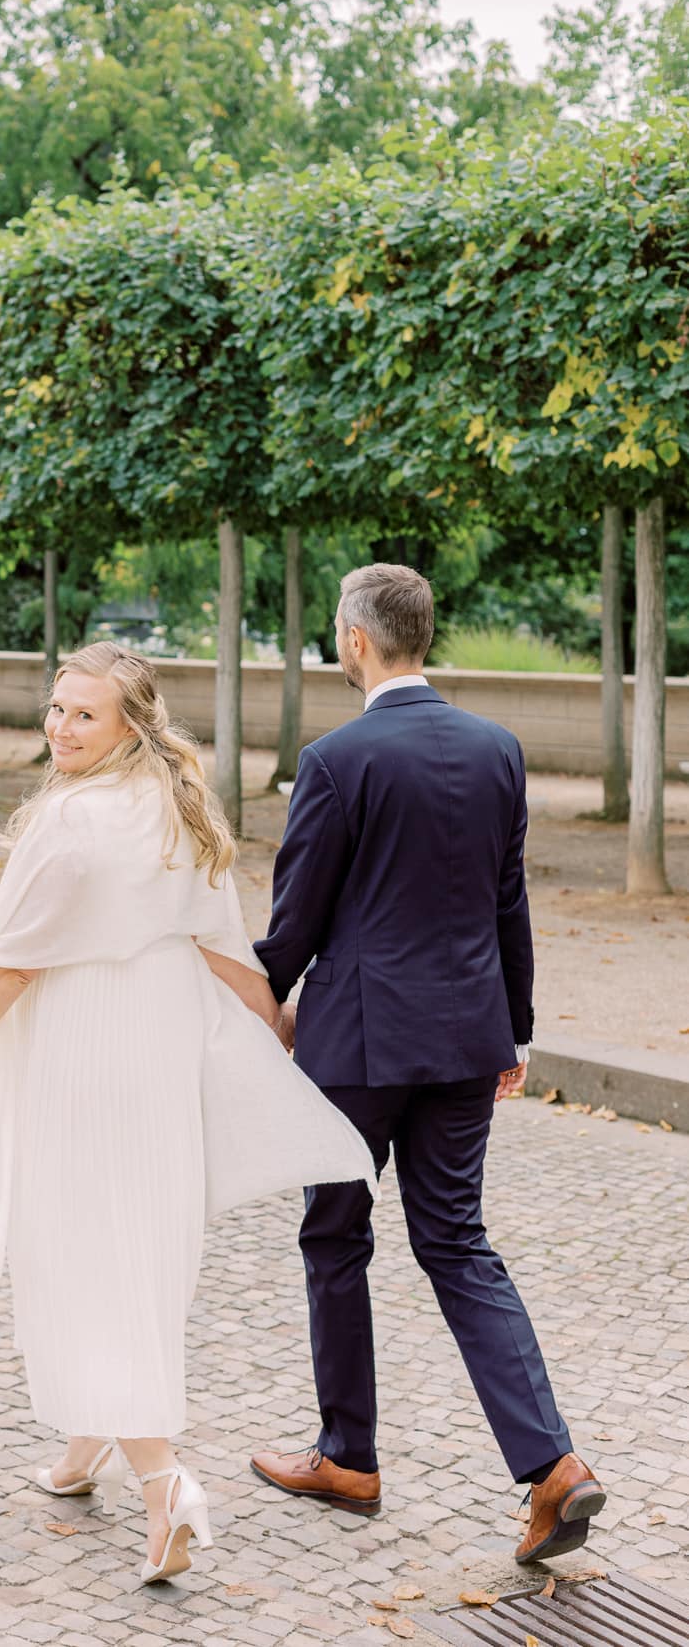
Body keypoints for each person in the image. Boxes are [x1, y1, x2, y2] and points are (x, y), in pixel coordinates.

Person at [0, 641, 376, 1584]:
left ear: (128, 725)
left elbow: (9, 969)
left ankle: (164, 1480)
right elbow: (225, 945)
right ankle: (83, 1450)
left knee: (79, 1264)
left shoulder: (66, 824)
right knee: (133, 1258)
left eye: (84, 714)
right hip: (160, 1061)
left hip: (86, 1058)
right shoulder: (173, 807)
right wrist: (274, 1024)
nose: (61, 727)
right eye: (56, 707)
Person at [249, 564, 606, 1565]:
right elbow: (509, 903)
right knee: (457, 1243)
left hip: (357, 1047)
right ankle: (554, 1467)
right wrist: (518, 1032)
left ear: (356, 640)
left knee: (335, 1237)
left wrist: (246, 991)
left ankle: (348, 1457)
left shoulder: (335, 760)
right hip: (467, 1038)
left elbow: (295, 928)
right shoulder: (499, 749)